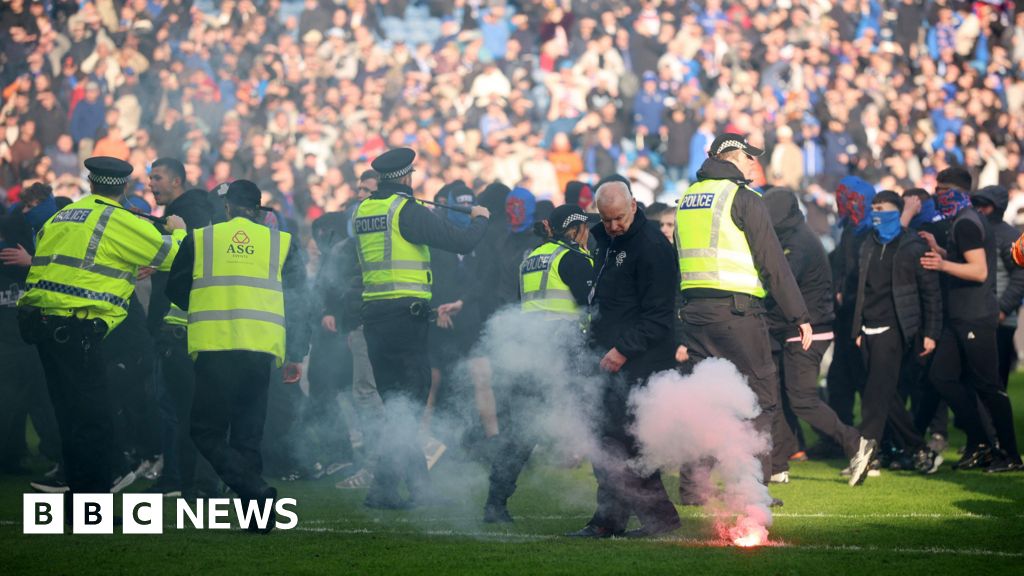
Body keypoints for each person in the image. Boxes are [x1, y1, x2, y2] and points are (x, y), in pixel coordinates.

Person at [16, 156, 186, 522]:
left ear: (91, 183)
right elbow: (174, 254)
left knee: (71, 417)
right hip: (79, 331)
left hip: (43, 327)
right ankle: (91, 509)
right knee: (94, 420)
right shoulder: (119, 220)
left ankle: (78, 500)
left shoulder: (61, 216)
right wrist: (179, 228)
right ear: (123, 187)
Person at [674, 134, 817, 496]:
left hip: (694, 315)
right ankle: (753, 490)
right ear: (734, 157)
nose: (755, 164)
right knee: (760, 399)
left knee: (703, 403)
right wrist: (799, 314)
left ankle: (693, 488)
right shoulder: (743, 198)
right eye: (751, 157)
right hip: (737, 315)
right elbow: (773, 263)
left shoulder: (687, 198)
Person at [165, 179, 310, 532]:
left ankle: (255, 490)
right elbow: (299, 301)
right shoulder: (282, 242)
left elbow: (176, 289)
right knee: (247, 435)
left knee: (205, 431)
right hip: (260, 349)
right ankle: (257, 519)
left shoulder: (203, 238)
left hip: (215, 347)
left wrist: (208, 302)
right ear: (259, 211)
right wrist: (296, 353)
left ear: (226, 207)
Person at [353, 148, 490, 509]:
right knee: (411, 403)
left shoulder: (364, 209)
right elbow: (461, 241)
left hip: (375, 318)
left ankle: (406, 489)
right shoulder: (406, 210)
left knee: (397, 405)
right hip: (404, 318)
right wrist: (480, 218)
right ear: (408, 176)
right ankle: (390, 489)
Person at [568, 175, 680, 539]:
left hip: (641, 358)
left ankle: (654, 518)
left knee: (628, 442)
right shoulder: (599, 236)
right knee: (606, 439)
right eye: (607, 219)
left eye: (619, 218)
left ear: (634, 206)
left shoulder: (653, 248)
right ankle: (610, 519)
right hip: (605, 354)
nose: (614, 226)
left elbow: (660, 316)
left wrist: (623, 350)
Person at [485, 203, 593, 524]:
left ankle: (495, 502)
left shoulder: (531, 258)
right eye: (585, 228)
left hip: (530, 350)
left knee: (520, 432)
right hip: (564, 351)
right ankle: (618, 504)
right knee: (599, 423)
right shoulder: (572, 258)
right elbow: (593, 304)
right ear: (575, 230)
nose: (588, 234)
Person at [763, 187, 875, 486]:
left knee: (801, 399)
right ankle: (778, 462)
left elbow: (780, 283)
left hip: (808, 329)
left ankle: (855, 443)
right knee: (783, 396)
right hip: (800, 328)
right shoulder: (794, 235)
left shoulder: (797, 244)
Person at [921, 169, 1022, 472]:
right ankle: (980, 443)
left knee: (988, 387)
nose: (936, 196)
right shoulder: (965, 220)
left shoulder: (965, 222)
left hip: (975, 317)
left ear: (953, 192)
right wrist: (941, 251)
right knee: (941, 377)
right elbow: (968, 260)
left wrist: (941, 263)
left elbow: (978, 271)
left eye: (940, 190)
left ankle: (1010, 455)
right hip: (961, 317)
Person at [852, 191, 944, 476]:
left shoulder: (913, 246)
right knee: (885, 393)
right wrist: (857, 328)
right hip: (866, 329)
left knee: (875, 395)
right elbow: (861, 291)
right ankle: (919, 449)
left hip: (896, 329)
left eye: (882, 208)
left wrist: (931, 333)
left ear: (897, 210)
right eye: (874, 208)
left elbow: (931, 294)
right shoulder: (867, 244)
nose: (876, 213)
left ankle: (865, 453)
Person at [146, 157, 219, 498]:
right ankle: (182, 478)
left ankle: (177, 478)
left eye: (157, 177)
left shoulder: (188, 213)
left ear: (177, 181)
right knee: (180, 407)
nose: (151, 183)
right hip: (183, 324)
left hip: (178, 325)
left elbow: (198, 255)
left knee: (175, 409)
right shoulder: (191, 210)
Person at [970, 186, 1024, 391]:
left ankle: (995, 422)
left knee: (996, 380)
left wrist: (1002, 309)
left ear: (997, 207)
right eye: (975, 204)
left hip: (1000, 318)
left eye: (984, 205)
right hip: (977, 314)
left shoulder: (1011, 237)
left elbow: (1021, 276)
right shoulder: (974, 231)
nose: (979, 209)